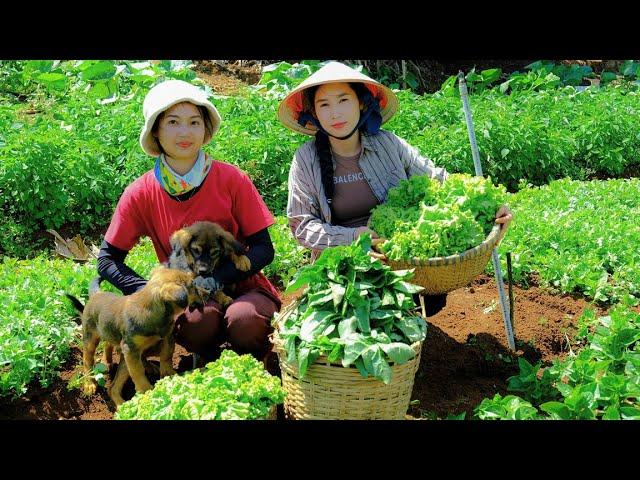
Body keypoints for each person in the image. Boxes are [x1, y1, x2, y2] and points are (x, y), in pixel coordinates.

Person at [279, 61, 512, 316]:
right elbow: (302, 226)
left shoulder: (388, 145)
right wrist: (354, 239)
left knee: (419, 304)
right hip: (342, 266)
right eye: (325, 104)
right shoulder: (306, 159)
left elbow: (435, 178)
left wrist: (489, 205)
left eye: (343, 100)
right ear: (314, 112)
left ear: (361, 103)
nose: (335, 113)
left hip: (398, 260)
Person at [96, 79, 281, 363]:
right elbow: (108, 259)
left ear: (205, 129)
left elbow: (263, 249)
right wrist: (147, 289)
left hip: (243, 287)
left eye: (195, 122)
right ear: (155, 130)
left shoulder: (231, 179)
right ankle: (205, 358)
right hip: (189, 292)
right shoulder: (141, 193)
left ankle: (257, 360)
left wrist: (218, 279)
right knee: (197, 324)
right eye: (173, 122)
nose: (185, 132)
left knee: (245, 320)